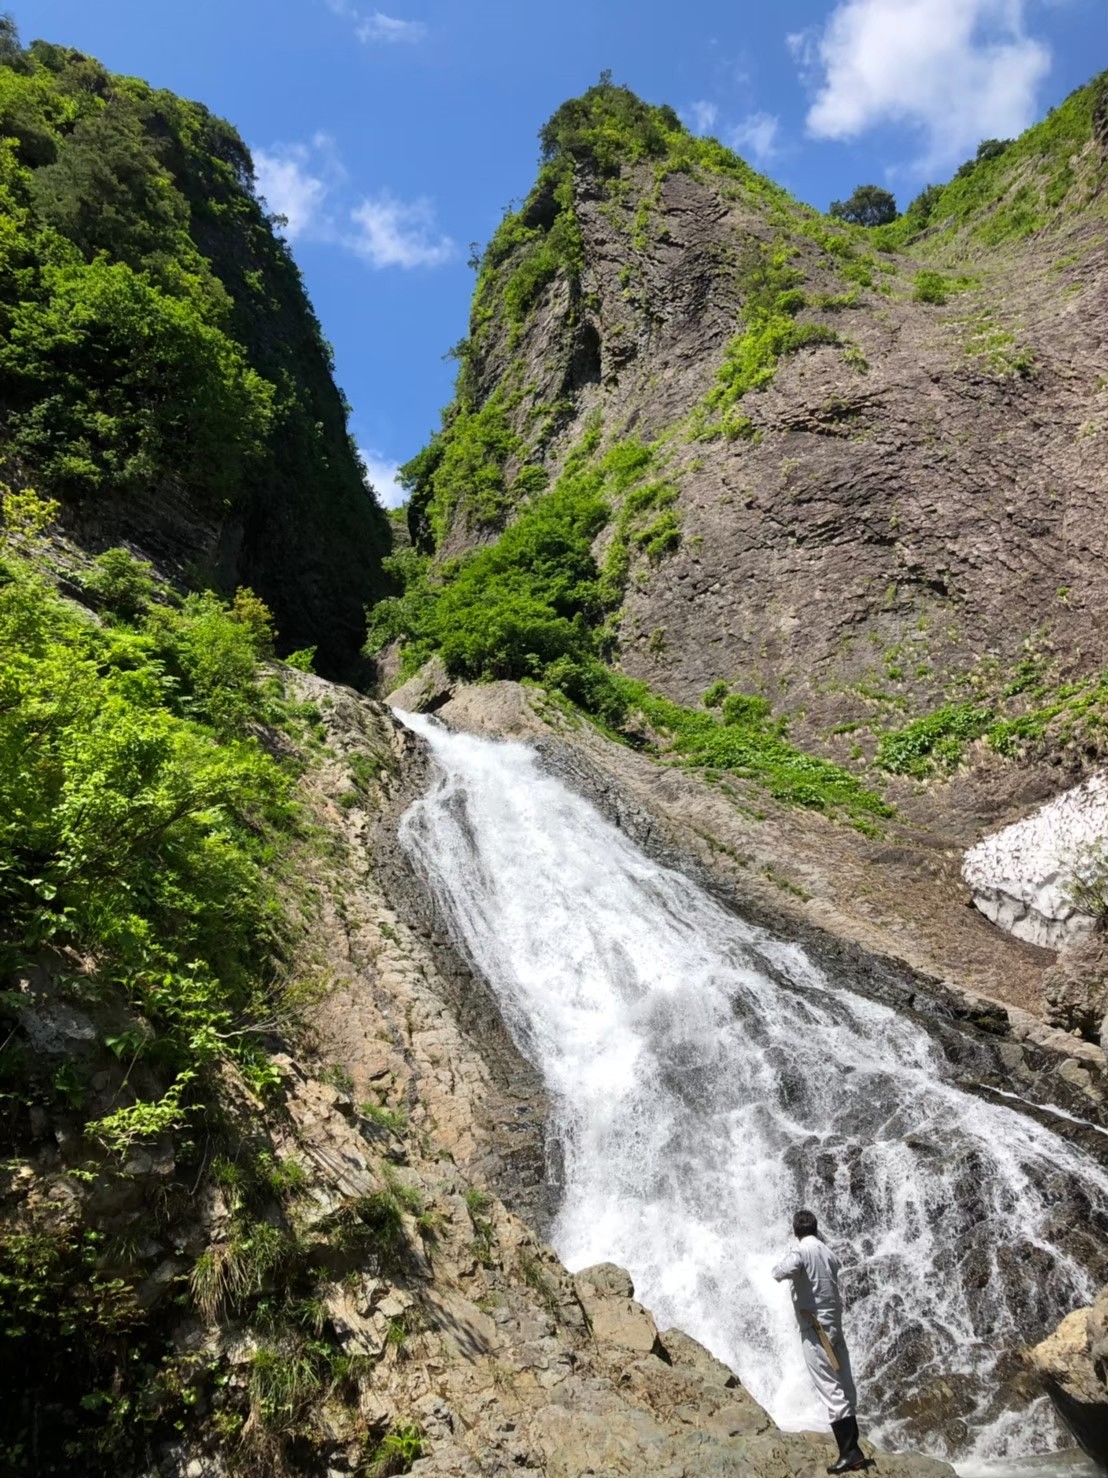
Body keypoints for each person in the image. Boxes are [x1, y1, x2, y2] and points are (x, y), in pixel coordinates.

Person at [772, 1208, 866, 1474]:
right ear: (815, 1228)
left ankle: (850, 1453)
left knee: (829, 1385)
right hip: (834, 1326)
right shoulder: (828, 1251)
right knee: (844, 1381)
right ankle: (854, 1447)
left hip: (816, 1330)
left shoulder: (801, 1251)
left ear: (796, 1231)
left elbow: (781, 1271)